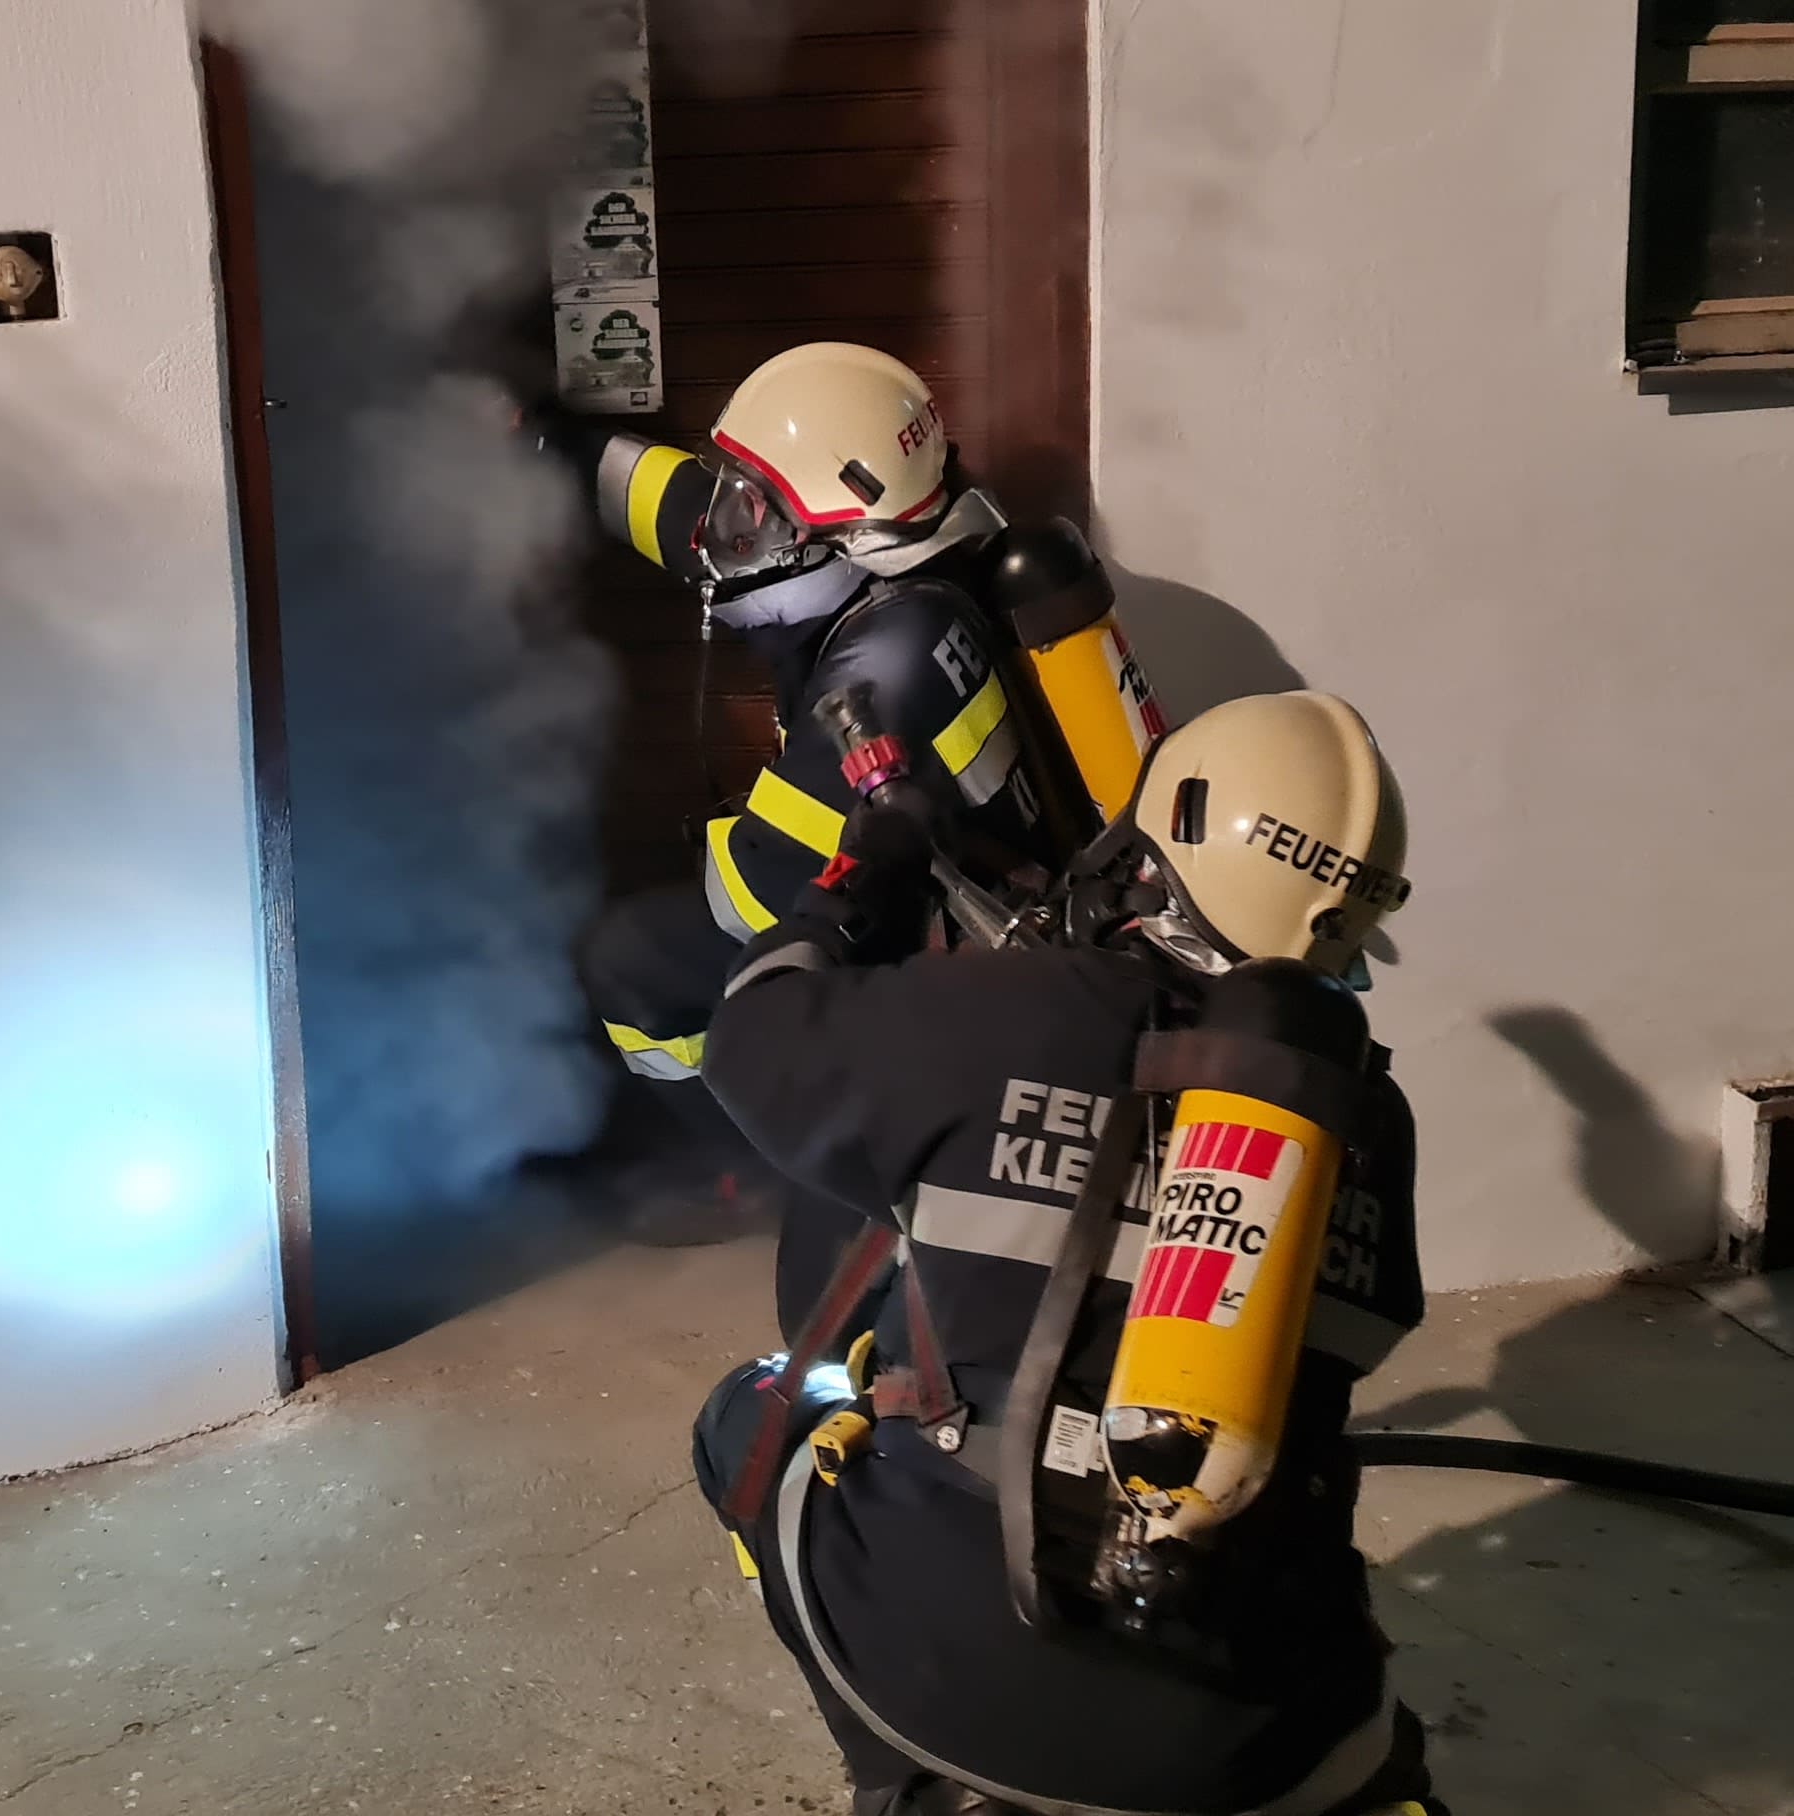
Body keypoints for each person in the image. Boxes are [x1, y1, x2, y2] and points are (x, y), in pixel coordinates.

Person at [688, 692, 1440, 1816]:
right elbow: (1364, 1334)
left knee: (754, 1414)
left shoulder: (988, 1013)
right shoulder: (1365, 1119)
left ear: (1152, 851)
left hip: (967, 1681)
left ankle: (906, 1776)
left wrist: (868, 871)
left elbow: (751, 1037)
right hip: (1268, 1738)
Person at [544, 342, 1083, 1276]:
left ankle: (765, 1166)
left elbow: (759, 895)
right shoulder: (911, 551)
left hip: (934, 968)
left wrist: (689, 836)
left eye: (750, 508)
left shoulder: (887, 668)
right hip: (948, 919)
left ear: (841, 532)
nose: (723, 526)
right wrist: (550, 440)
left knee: (630, 959)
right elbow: (692, 510)